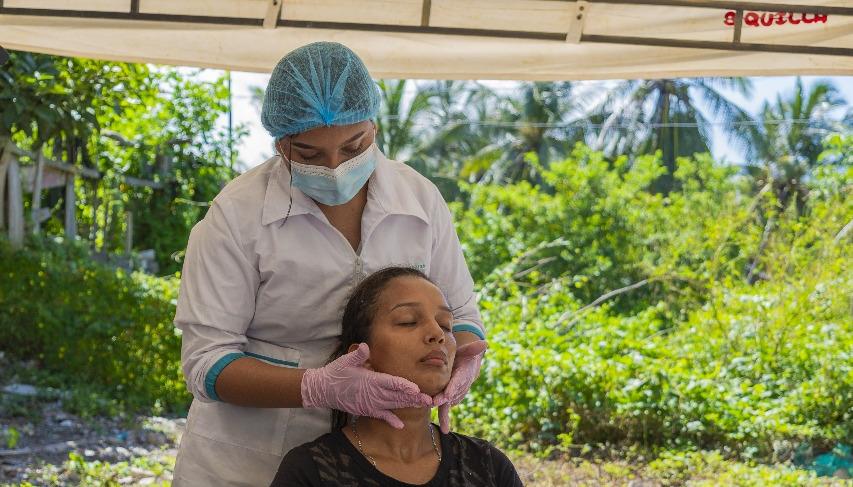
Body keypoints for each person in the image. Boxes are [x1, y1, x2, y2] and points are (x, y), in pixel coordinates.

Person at [171, 42, 487, 486]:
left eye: (354, 145)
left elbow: (463, 315)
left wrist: (465, 358)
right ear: (281, 142)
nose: (336, 166)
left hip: (372, 460)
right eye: (309, 154)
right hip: (245, 464)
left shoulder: (419, 199)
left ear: (374, 126)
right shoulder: (237, 216)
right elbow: (206, 363)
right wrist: (318, 386)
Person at [270, 267, 520, 487]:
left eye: (445, 325)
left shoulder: (487, 466)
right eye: (408, 321)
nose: (437, 333)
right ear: (360, 357)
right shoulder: (311, 472)